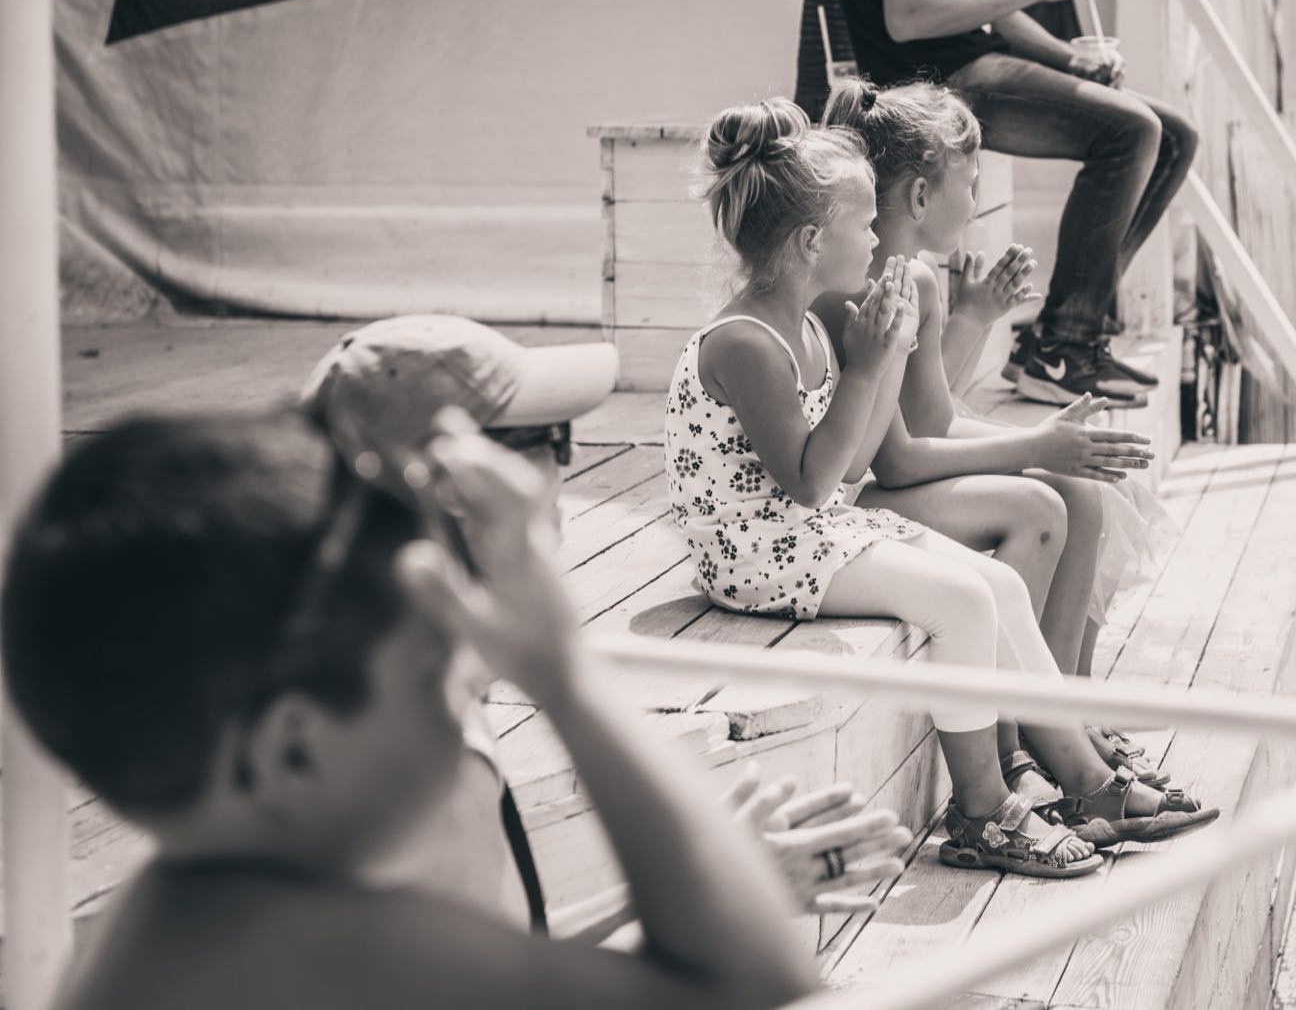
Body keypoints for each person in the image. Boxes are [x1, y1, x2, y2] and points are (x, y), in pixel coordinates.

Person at [1, 407, 819, 1010]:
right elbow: (755, 983)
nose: (472, 685)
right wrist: (562, 674)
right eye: (439, 670)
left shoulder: (184, 922)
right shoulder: (294, 949)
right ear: (295, 750)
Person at [664, 97, 1215, 874]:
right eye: (861, 225)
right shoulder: (747, 342)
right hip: (755, 553)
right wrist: (870, 361)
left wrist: (878, 357)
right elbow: (821, 479)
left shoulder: (808, 325)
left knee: (996, 582)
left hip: (801, 532)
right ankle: (984, 809)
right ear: (812, 242)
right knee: (966, 601)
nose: (873, 238)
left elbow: (849, 466)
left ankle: (1085, 779)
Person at [299, 314, 911, 924]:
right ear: (459, 484)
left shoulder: (387, 666)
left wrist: (693, 887)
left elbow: (505, 952)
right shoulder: (417, 744)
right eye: (551, 440)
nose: (565, 469)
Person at [817, 77, 1181, 791]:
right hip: (858, 505)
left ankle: (1069, 707)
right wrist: (1037, 446)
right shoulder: (861, 290)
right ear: (921, 197)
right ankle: (1033, 738)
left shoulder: (917, 279)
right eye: (970, 182)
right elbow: (895, 458)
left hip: (889, 485)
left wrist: (980, 324)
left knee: (1083, 491)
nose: (977, 201)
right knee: (1043, 503)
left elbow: (935, 415)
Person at [837, 0, 1200, 405]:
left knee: (1173, 138)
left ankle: (1064, 331)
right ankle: (1065, 344)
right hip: (930, 80)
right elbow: (907, 15)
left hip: (975, 61)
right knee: (1133, 131)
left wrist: (1071, 59)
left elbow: (997, 11)